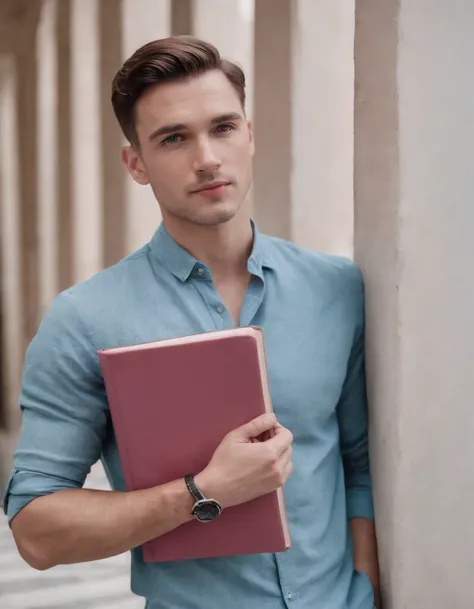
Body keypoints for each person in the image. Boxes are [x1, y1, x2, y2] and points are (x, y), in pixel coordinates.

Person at [3, 35, 380, 609]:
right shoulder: (85, 320)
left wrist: (368, 589)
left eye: (223, 127)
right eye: (174, 138)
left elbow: (359, 468)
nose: (207, 158)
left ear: (249, 136)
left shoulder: (337, 288)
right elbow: (35, 529)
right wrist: (202, 493)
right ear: (136, 164)